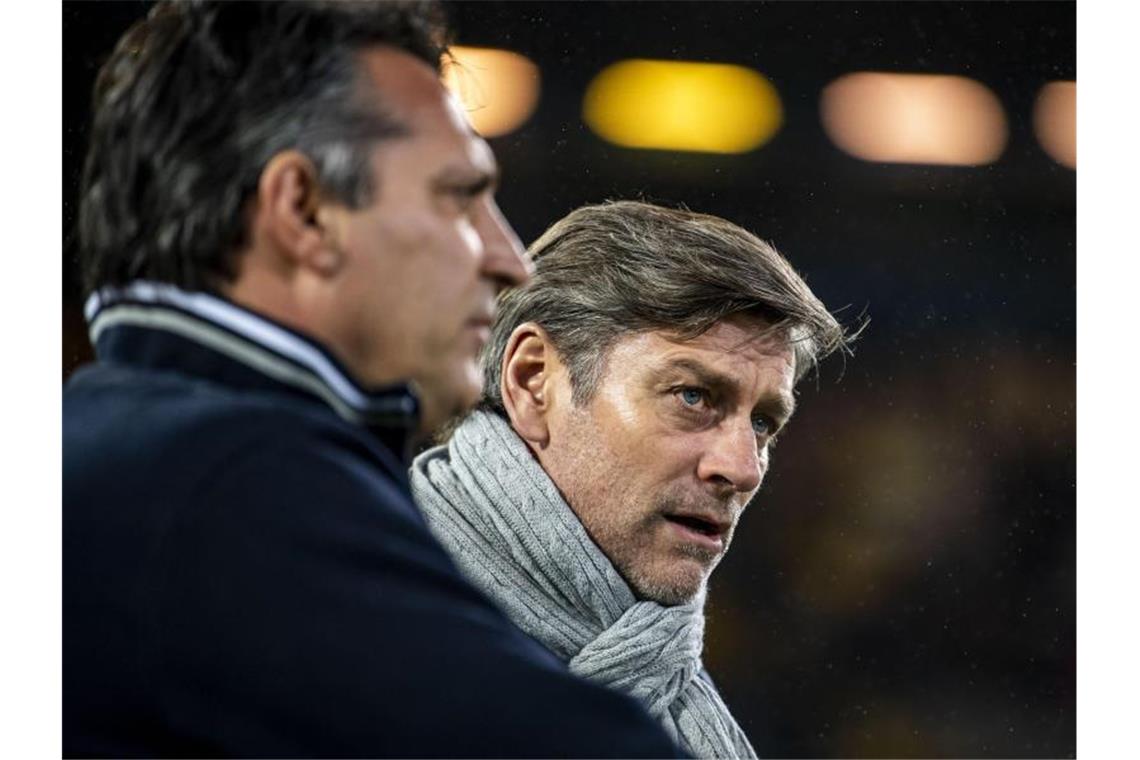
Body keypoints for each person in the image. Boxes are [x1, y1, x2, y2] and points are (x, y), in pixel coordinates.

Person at [63, 3, 681, 757]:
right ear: (305, 212)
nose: (510, 257)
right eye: (459, 197)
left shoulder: (109, 438)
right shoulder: (232, 480)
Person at [411, 200, 856, 758]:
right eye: (692, 396)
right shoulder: (343, 626)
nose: (742, 468)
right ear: (532, 381)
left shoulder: (666, 680)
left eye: (763, 423)